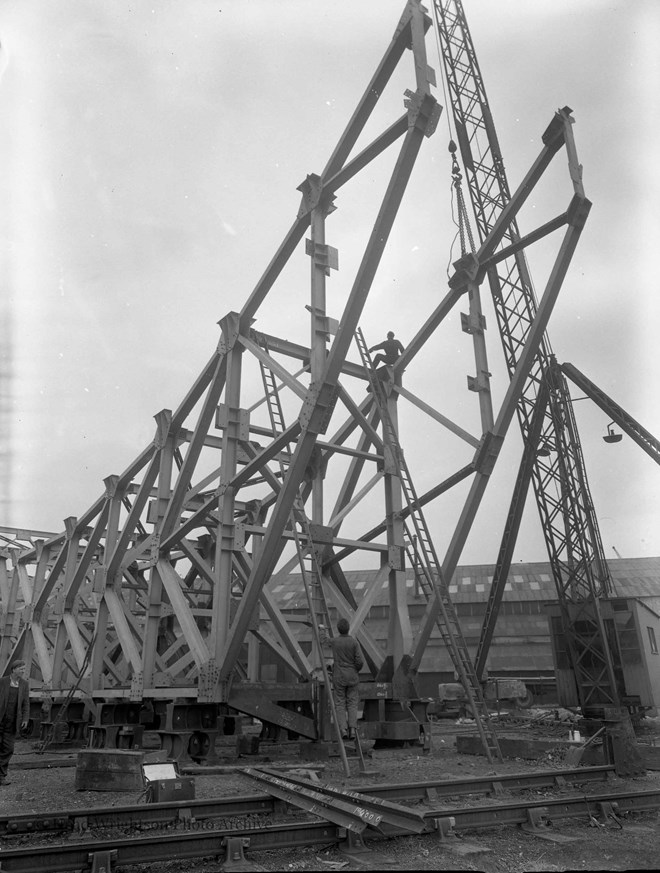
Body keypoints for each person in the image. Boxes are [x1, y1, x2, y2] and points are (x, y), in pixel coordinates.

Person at [319, 618, 364, 740]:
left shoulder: (335, 641)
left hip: (339, 676)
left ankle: (343, 729)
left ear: (338, 629)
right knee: (352, 703)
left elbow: (323, 641)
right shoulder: (354, 643)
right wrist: (355, 670)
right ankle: (353, 729)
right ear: (348, 628)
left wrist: (322, 629)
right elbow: (360, 661)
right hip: (352, 676)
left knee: (339, 703)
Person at [0, 659, 29, 786]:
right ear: (13, 669)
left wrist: (25, 719)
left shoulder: (24, 684)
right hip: (0, 719)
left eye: (24, 669)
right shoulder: (2, 681)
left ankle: (1, 776)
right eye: (21, 669)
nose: (23, 671)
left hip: (12, 722)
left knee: (8, 749)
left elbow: (26, 703)